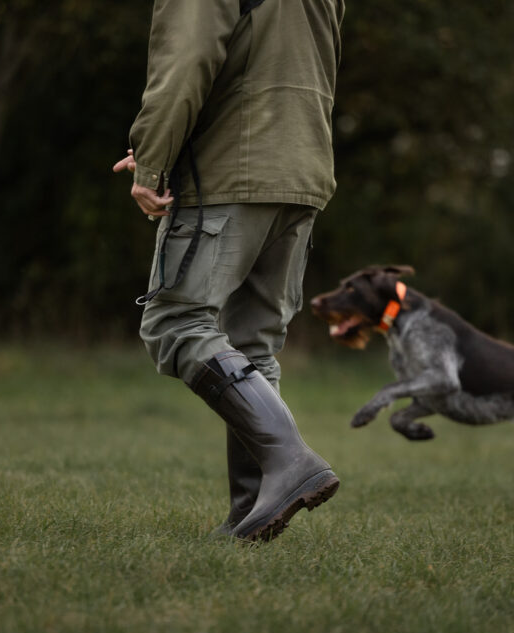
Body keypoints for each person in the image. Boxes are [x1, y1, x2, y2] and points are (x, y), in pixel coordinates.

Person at [113, 0, 345, 542]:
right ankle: (253, 516)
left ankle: (291, 461)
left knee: (176, 322)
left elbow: (188, 57)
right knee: (253, 344)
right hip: (301, 167)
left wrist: (153, 158)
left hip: (230, 169)